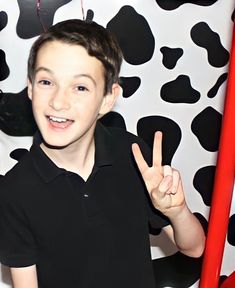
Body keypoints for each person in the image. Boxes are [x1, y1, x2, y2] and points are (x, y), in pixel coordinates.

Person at [0, 19, 205, 288]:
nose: (58, 102)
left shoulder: (134, 156)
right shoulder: (15, 189)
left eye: (80, 87)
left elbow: (195, 248)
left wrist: (177, 211)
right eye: (46, 81)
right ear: (30, 87)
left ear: (108, 99)